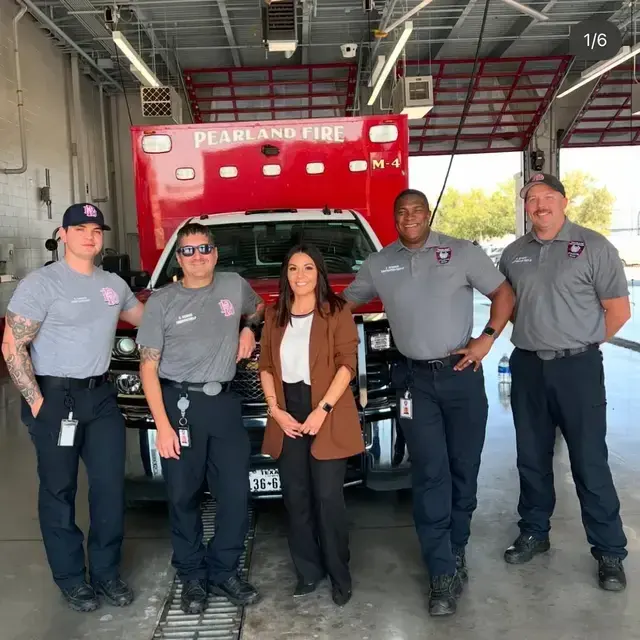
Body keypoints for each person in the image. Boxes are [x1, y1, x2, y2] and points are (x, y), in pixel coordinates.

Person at [342, 189, 515, 617]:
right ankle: (441, 571)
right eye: (402, 212)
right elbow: (341, 306)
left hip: (461, 376)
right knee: (431, 474)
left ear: (428, 213)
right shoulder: (381, 263)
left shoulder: (461, 252)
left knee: (463, 469)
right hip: (413, 383)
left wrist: (486, 340)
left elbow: (504, 294)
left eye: (416, 210)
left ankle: (456, 549)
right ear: (395, 217)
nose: (410, 217)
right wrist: (280, 319)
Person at [1, 203, 144, 612]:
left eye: (96, 230)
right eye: (79, 229)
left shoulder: (113, 285)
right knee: (59, 490)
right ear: (62, 235)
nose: (89, 236)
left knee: (109, 489)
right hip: (53, 398)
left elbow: (147, 320)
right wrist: (37, 401)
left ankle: (106, 574)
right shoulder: (41, 283)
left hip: (100, 399)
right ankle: (70, 578)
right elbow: (13, 344)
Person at [498, 173, 631, 591]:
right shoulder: (514, 254)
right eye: (531, 198)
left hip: (578, 368)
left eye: (547, 197)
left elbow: (618, 311)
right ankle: (535, 531)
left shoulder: (594, 246)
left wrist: (579, 343)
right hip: (528, 367)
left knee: (589, 460)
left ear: (564, 201)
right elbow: (513, 306)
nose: (539, 205)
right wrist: (541, 335)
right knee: (531, 457)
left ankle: (609, 551)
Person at [137, 222, 264, 614]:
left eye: (204, 248)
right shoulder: (162, 301)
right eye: (188, 251)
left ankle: (224, 570)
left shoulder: (233, 285)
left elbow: (259, 306)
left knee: (235, 495)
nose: (198, 257)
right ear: (178, 258)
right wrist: (162, 424)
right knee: (183, 496)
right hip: (180, 406)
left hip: (225, 404)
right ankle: (192, 576)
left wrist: (248, 327)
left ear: (215, 252)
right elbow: (147, 368)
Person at [258, 244, 364, 607]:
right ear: (285, 275)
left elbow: (347, 364)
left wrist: (323, 409)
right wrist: (275, 410)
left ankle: (339, 573)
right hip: (287, 411)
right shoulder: (274, 315)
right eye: (292, 269)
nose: (299, 276)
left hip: (326, 410)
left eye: (307, 268)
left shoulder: (336, 311)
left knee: (327, 497)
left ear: (319, 273)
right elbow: (267, 367)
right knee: (296, 497)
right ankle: (307, 571)